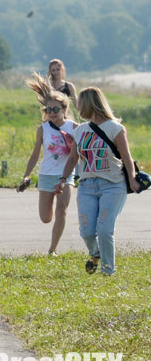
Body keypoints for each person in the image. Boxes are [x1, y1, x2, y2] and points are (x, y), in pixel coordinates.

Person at [55, 87, 141, 276]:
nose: (77, 106)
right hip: (86, 186)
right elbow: (72, 159)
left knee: (104, 230)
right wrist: (63, 179)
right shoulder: (81, 130)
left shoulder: (115, 128)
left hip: (112, 185)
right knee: (86, 231)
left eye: (80, 102)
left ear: (90, 103)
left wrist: (133, 179)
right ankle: (96, 254)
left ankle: (108, 271)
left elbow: (126, 156)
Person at [17, 73, 76, 255]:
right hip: (46, 175)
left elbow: (80, 154)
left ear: (64, 110)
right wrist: (26, 175)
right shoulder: (42, 129)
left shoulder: (74, 127)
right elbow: (35, 155)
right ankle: (52, 240)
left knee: (61, 211)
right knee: (45, 217)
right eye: (48, 110)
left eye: (55, 110)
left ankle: (52, 249)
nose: (51, 113)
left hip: (66, 175)